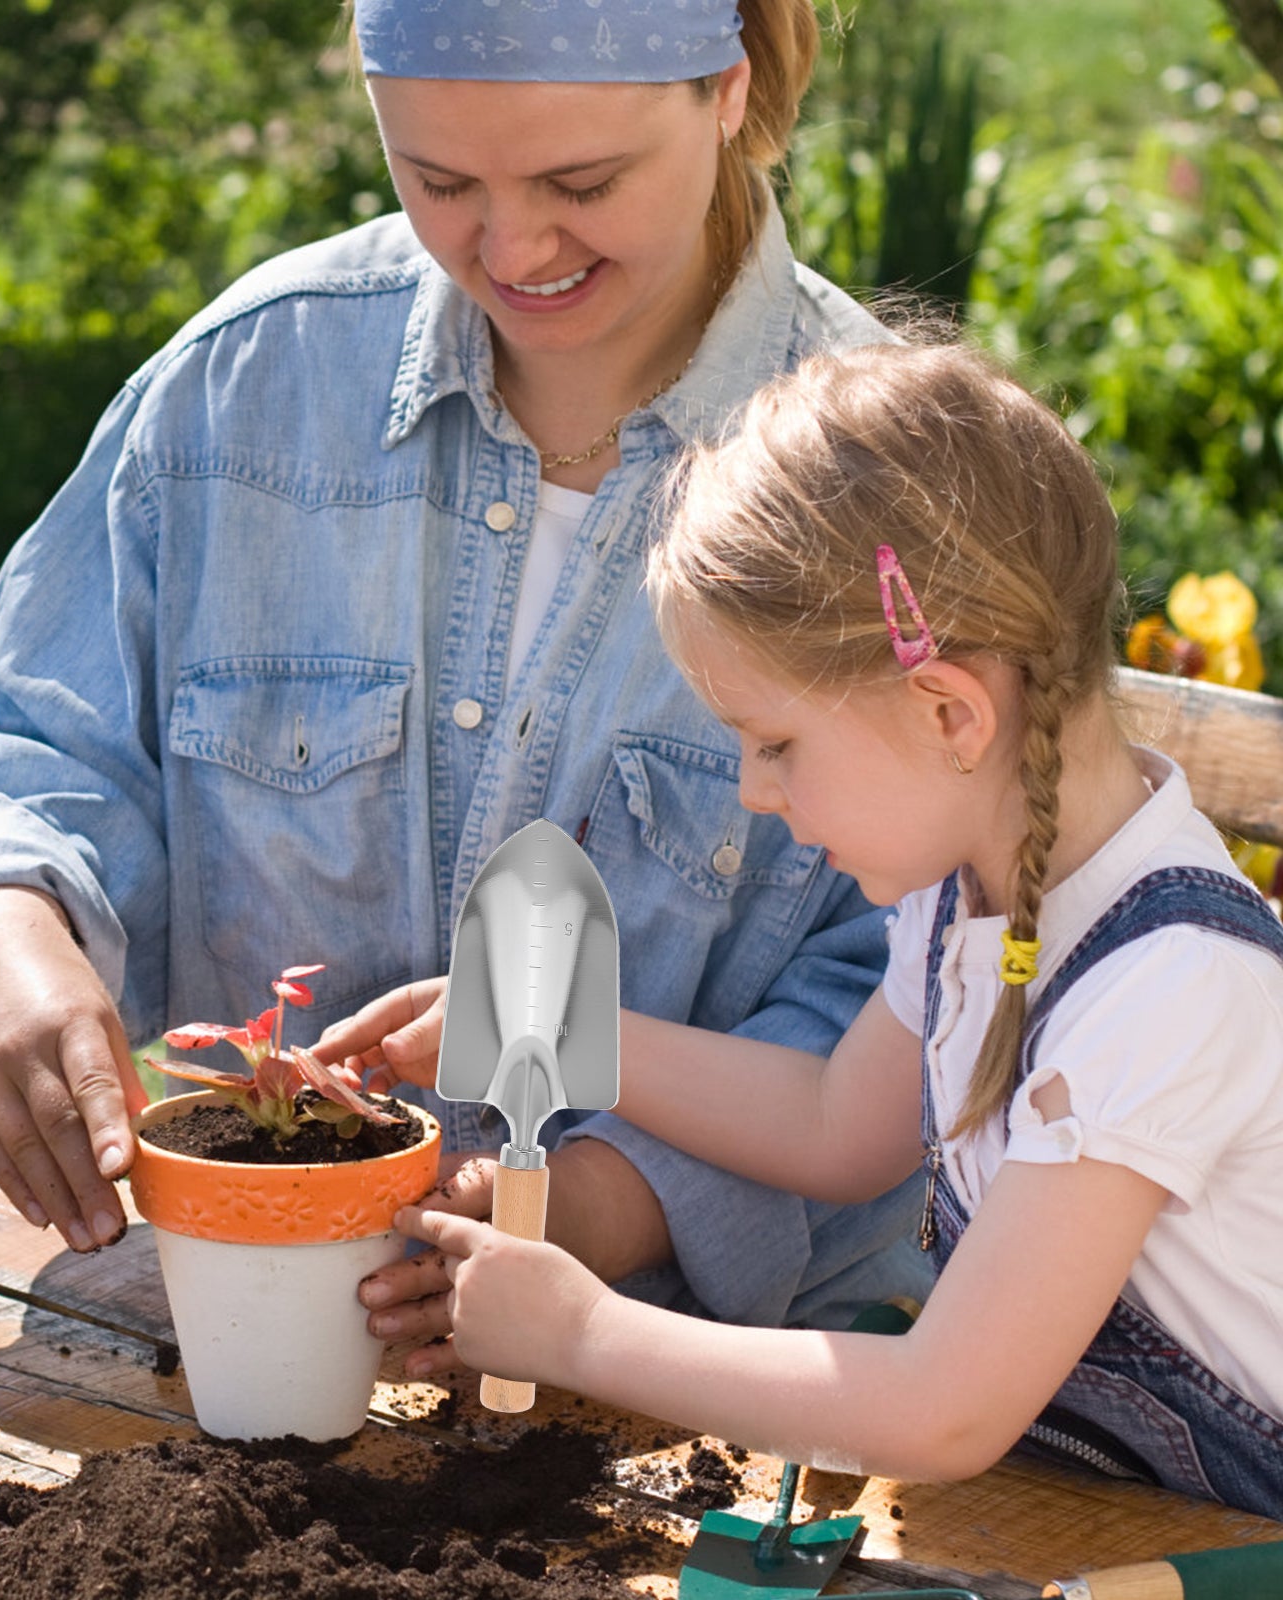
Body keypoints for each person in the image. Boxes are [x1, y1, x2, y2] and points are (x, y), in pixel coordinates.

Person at [0, 0, 928, 1328]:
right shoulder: (247, 391)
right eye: (439, 182)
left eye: (581, 183)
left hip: (714, 1369)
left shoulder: (892, 489)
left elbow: (921, 979)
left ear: (724, 85)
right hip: (243, 1325)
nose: (515, 246)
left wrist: (585, 1210)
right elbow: (36, 745)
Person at [374, 341, 1283, 1518]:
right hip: (1112, 1515)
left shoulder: (1166, 988)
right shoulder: (972, 895)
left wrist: (582, 1331)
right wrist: (555, 1021)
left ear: (949, 710)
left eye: (777, 743)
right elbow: (831, 1127)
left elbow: (936, 1408)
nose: (756, 790)